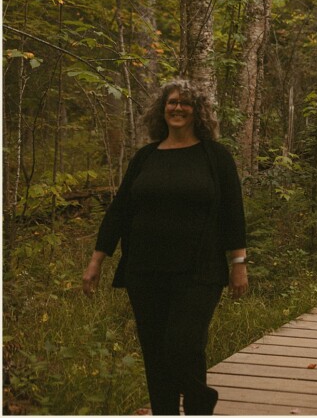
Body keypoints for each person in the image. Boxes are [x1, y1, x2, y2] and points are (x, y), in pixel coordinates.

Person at [82, 80, 247, 415]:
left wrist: (239, 263)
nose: (177, 108)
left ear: (198, 111)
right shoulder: (146, 157)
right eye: (172, 102)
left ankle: (199, 400)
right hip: (145, 271)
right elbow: (120, 210)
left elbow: (233, 212)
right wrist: (97, 260)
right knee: (156, 354)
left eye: (185, 103)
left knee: (181, 346)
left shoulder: (215, 157)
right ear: (162, 109)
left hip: (199, 271)